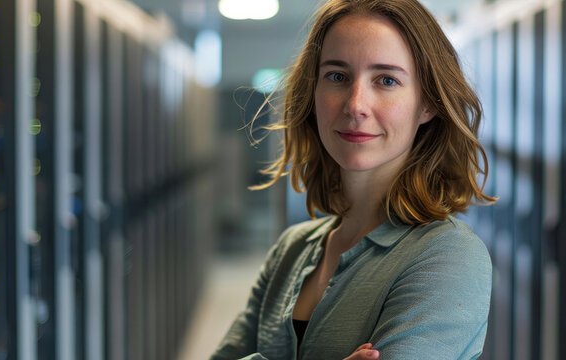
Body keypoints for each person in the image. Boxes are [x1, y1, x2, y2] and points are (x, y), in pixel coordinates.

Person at [211, 0, 496, 358]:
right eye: (338, 76)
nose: (356, 104)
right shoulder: (291, 250)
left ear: (428, 104)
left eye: (387, 80)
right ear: (312, 93)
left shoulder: (448, 255)